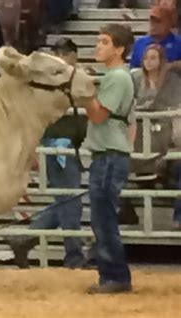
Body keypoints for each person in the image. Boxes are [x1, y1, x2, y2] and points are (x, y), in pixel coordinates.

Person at [6, 38, 87, 269]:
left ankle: (25, 239)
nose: (60, 57)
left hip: (69, 142)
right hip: (58, 143)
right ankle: (74, 256)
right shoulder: (51, 82)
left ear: (73, 55)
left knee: (66, 199)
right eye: (57, 53)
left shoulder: (73, 78)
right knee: (70, 199)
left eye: (63, 53)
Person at [84, 24, 135, 294]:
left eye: (104, 42)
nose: (98, 46)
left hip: (109, 155)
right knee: (103, 217)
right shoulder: (118, 77)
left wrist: (83, 93)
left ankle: (114, 276)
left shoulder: (116, 77)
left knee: (103, 219)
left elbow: (98, 115)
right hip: (110, 152)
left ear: (119, 49)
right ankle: (112, 274)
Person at [131, 44, 167, 110]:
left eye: (153, 58)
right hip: (139, 116)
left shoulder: (169, 79)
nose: (148, 61)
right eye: (145, 58)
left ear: (161, 60)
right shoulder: (135, 77)